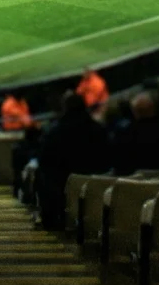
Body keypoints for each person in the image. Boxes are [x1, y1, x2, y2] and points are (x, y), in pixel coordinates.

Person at [36, 91, 111, 230]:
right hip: (95, 182)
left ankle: (49, 220)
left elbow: (44, 162)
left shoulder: (54, 133)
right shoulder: (99, 130)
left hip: (62, 185)